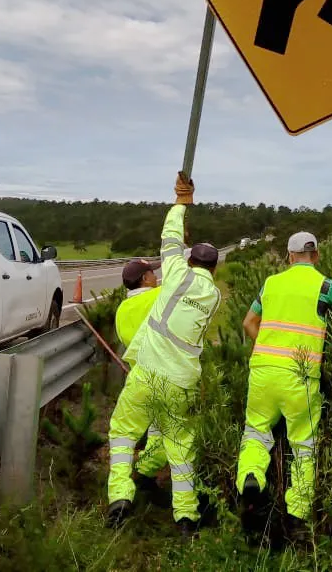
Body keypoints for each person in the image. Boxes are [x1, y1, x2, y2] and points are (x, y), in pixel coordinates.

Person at [106, 172, 222, 536]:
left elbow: (168, 238)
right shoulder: (214, 296)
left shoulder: (169, 278)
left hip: (146, 373)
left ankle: (120, 497)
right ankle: (186, 519)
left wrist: (181, 205)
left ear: (188, 262)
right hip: (182, 380)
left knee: (123, 434)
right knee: (181, 450)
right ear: (214, 269)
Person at [235, 232, 332, 536]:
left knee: (255, 433)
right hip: (301, 377)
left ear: (289, 255)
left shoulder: (270, 283)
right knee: (303, 445)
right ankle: (297, 515)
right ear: (316, 256)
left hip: (263, 371)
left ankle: (251, 479)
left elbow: (248, 323)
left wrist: (271, 347)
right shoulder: (326, 287)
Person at [113, 258, 168, 491]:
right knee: (161, 431)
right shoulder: (158, 296)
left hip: (136, 378)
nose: (156, 277)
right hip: (163, 375)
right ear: (145, 278)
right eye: (152, 274)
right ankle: (146, 476)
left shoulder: (121, 310)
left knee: (125, 434)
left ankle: (121, 488)